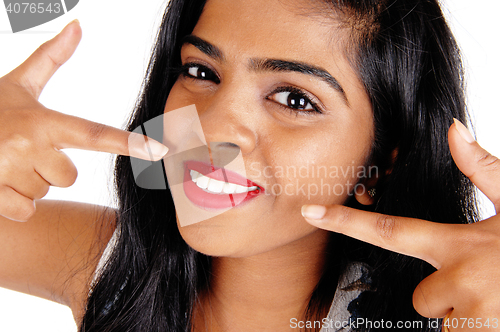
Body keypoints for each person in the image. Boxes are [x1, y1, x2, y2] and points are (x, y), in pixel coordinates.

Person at [0, 0, 499, 331]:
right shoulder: (113, 266)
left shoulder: (448, 315)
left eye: (295, 99)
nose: (212, 128)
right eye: (201, 71)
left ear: (380, 167)